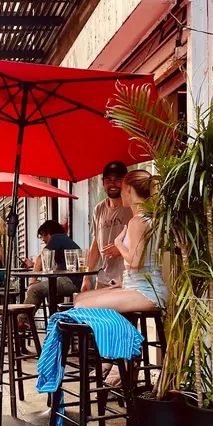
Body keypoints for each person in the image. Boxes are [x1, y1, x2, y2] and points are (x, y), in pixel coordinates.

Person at [74, 170, 168, 384]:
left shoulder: (138, 221)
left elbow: (134, 262)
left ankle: (123, 355)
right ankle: (116, 357)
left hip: (146, 291)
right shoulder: (147, 218)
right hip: (139, 285)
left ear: (128, 189)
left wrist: (118, 244)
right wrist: (122, 282)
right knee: (80, 300)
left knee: (81, 306)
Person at [81, 161, 134, 293]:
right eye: (108, 180)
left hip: (126, 280)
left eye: (118, 179)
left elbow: (144, 238)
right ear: (103, 183)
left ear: (126, 182)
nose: (113, 184)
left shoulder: (132, 206)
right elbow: (95, 245)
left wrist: (122, 246)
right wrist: (86, 277)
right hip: (103, 278)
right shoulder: (98, 209)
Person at [19, 221, 80, 329]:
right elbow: (47, 262)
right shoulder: (64, 240)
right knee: (46, 289)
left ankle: (21, 321)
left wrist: (32, 280)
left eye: (42, 235)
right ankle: (54, 324)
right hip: (74, 280)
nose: (42, 239)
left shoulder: (57, 238)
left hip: (72, 280)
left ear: (49, 232)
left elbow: (41, 257)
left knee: (34, 289)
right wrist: (33, 265)